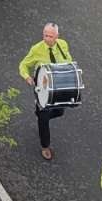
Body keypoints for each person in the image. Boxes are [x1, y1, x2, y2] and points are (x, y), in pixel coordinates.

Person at [18, 23, 74, 162]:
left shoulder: (63, 45)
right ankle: (45, 146)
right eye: (45, 35)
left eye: (50, 36)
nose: (47, 38)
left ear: (57, 36)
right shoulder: (37, 49)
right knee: (44, 118)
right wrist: (27, 77)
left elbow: (69, 61)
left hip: (58, 84)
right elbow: (23, 65)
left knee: (60, 111)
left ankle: (40, 113)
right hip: (42, 86)